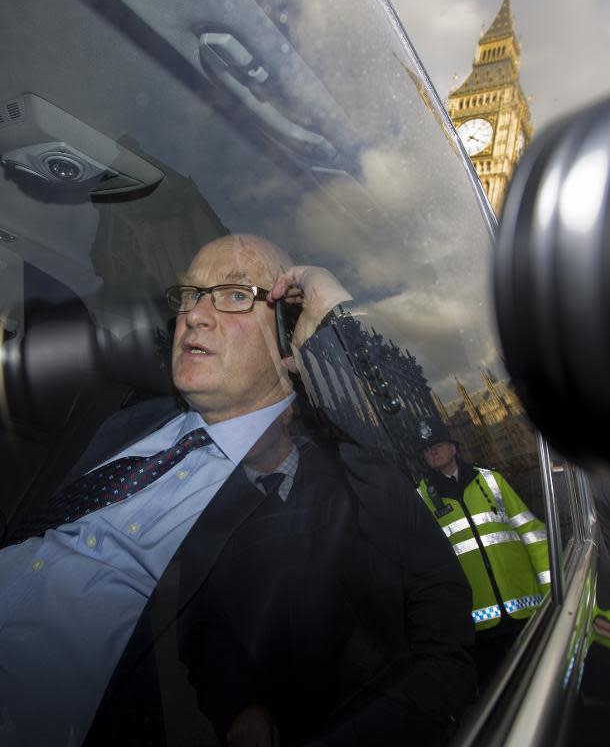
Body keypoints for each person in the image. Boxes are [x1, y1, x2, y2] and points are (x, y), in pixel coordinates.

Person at [0, 235, 476, 747]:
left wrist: (332, 335)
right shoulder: (119, 414)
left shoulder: (328, 482)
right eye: (191, 294)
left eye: (233, 295)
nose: (196, 316)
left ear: (287, 334)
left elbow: (440, 652)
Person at [415, 416, 550, 685]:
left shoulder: (491, 481)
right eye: (427, 449)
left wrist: (552, 592)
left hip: (528, 612)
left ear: (454, 447)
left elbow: (533, 535)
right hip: (477, 629)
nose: (434, 451)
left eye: (438, 444)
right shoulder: (420, 500)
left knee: (545, 683)